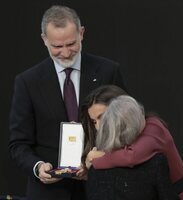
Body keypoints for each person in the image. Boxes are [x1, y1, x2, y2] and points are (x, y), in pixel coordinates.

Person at [8, 5, 125, 200]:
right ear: (44, 40)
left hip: (101, 184)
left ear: (82, 33)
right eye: (57, 46)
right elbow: (19, 143)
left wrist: (100, 160)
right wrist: (38, 168)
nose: (65, 52)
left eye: (71, 44)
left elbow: (126, 128)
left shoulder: (108, 71)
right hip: (49, 191)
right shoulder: (27, 82)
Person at [81, 85, 183, 200]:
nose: (99, 126)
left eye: (103, 117)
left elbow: (131, 157)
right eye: (94, 121)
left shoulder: (153, 127)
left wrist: (96, 159)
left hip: (180, 194)